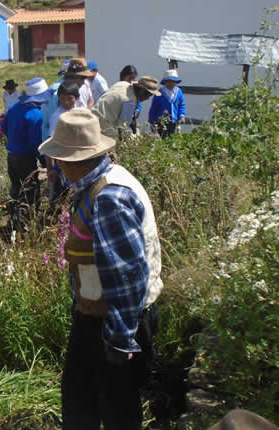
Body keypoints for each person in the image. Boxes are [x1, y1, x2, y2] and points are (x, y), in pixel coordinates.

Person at [38, 108, 163, 430]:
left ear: (72, 160)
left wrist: (120, 341)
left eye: (59, 158)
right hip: (101, 314)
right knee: (84, 400)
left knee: (114, 409)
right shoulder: (101, 182)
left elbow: (127, 275)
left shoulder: (109, 198)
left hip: (114, 320)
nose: (57, 164)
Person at [0, 77, 49, 229]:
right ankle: (22, 224)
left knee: (16, 188)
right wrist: (43, 159)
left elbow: (4, 127)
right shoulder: (35, 114)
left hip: (11, 155)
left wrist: (14, 140)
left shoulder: (14, 107)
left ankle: (12, 218)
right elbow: (35, 143)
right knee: (29, 190)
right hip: (25, 158)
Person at [44, 80, 80, 211]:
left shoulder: (80, 112)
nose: (66, 102)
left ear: (77, 98)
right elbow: (51, 143)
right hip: (63, 161)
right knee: (65, 193)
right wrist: (50, 167)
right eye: (62, 99)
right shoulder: (57, 117)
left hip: (80, 159)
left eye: (70, 98)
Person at [92, 76, 160, 138]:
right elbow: (122, 128)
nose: (147, 98)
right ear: (141, 90)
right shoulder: (130, 102)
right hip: (101, 127)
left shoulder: (123, 84)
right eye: (148, 94)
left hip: (92, 118)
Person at [148, 69, 186, 139]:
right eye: (168, 81)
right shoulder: (159, 93)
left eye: (173, 81)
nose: (170, 84)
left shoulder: (179, 92)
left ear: (176, 82)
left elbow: (181, 105)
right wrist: (152, 121)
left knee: (172, 138)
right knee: (163, 138)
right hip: (161, 121)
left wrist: (181, 115)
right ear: (165, 82)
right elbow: (153, 108)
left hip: (174, 121)